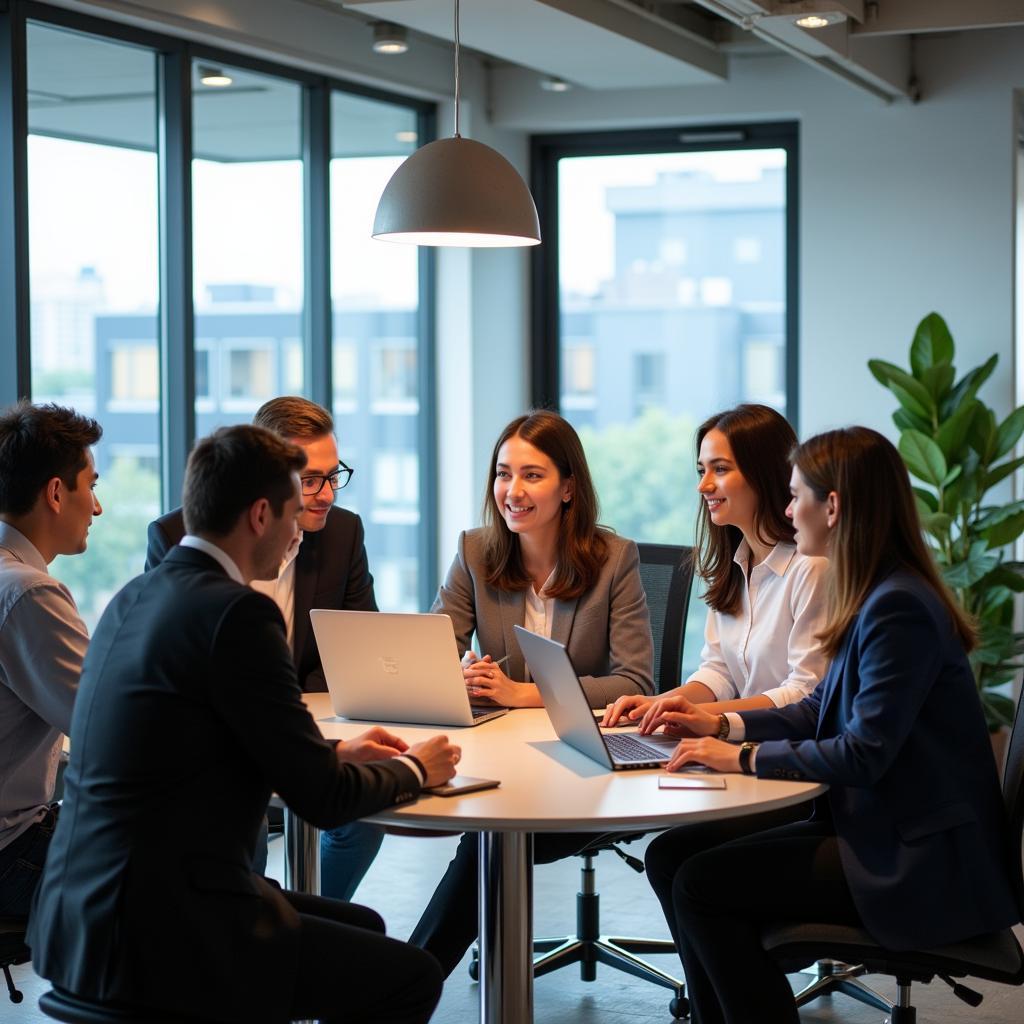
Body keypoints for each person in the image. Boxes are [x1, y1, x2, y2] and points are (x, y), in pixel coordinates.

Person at [29, 425, 461, 1024]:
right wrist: (415, 768)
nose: (297, 535)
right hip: (166, 931)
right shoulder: (237, 612)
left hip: (81, 917)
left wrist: (334, 749)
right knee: (411, 976)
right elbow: (327, 802)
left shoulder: (135, 595)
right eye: (291, 514)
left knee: (362, 926)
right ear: (261, 515)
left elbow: (216, 735)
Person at [643, 426, 1017, 1024]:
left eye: (795, 497)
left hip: (915, 856)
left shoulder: (897, 606)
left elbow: (863, 752)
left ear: (834, 506)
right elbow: (820, 712)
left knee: (700, 885)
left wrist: (739, 759)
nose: (788, 512)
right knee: (671, 858)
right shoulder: (877, 590)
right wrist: (721, 728)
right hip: (878, 826)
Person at [409, 409, 655, 976]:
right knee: (483, 837)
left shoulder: (614, 560)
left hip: (588, 770)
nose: (511, 491)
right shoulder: (475, 552)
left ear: (569, 487)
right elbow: (434, 646)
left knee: (485, 845)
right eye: (502, 473)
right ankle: (405, 987)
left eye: (532, 476)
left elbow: (636, 682)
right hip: (505, 761)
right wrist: (459, 672)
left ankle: (409, 984)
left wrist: (522, 694)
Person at [146, 396, 379, 897]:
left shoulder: (342, 533)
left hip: (311, 720)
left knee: (364, 818)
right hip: (222, 738)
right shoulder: (178, 536)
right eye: (310, 479)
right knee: (242, 821)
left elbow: (359, 645)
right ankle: (260, 936)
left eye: (334, 475)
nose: (325, 494)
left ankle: (305, 925)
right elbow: (180, 668)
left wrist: (292, 706)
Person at [0, 402, 100, 918]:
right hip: (10, 856)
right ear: (57, 493)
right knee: (194, 871)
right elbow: (109, 726)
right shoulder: (29, 592)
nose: (98, 508)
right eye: (92, 485)